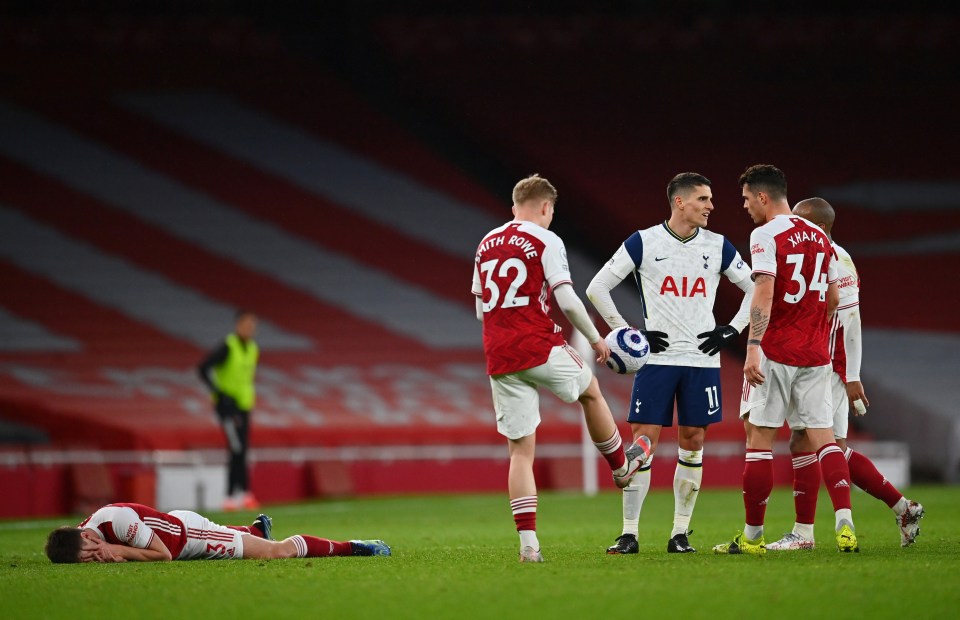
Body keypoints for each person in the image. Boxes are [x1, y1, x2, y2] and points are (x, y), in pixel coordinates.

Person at [472, 174, 649, 563]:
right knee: (590, 393)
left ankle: (529, 547)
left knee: (520, 452)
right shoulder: (546, 239)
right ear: (546, 208)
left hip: (498, 352)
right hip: (538, 343)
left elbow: (481, 306)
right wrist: (597, 339)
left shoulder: (486, 243)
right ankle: (621, 467)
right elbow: (566, 298)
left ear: (514, 205)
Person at [586, 172, 754, 554]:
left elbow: (756, 288)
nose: (711, 206)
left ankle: (679, 533)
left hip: (702, 361)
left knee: (692, 444)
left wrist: (732, 330)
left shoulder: (718, 245)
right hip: (657, 360)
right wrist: (629, 333)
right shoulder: (644, 241)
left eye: (710, 199)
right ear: (680, 202)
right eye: (703, 199)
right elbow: (596, 287)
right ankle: (629, 533)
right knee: (643, 443)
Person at [714, 164, 859, 555]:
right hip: (815, 354)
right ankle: (844, 523)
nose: (744, 206)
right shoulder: (821, 236)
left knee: (759, 439)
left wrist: (753, 345)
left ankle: (753, 536)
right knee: (823, 440)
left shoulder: (765, 234)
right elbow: (833, 297)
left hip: (776, 349)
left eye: (746, 199)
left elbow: (763, 289)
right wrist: (812, 331)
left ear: (763, 197)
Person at [764, 197, 924, 551]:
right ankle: (903, 507)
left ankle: (805, 533)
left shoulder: (838, 260)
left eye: (800, 221)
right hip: (816, 359)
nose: (794, 227)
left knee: (812, 442)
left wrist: (851, 375)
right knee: (830, 446)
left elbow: (852, 323)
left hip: (828, 365)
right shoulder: (817, 255)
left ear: (820, 227)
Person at [44, 502, 390, 563]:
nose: (95, 560)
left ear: (90, 539)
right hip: (173, 524)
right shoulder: (78, 537)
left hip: (190, 536)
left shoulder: (114, 521)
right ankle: (253, 529)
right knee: (256, 539)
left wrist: (119, 552)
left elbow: (163, 555)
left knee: (277, 552)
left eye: (91, 554)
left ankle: (356, 546)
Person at [198, 309, 259, 511]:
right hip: (227, 407)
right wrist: (219, 394)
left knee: (243, 448)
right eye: (246, 324)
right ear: (238, 325)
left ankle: (244, 494)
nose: (250, 329)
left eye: (252, 325)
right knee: (236, 448)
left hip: (243, 405)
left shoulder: (252, 349)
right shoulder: (228, 346)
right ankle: (231, 496)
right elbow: (203, 368)